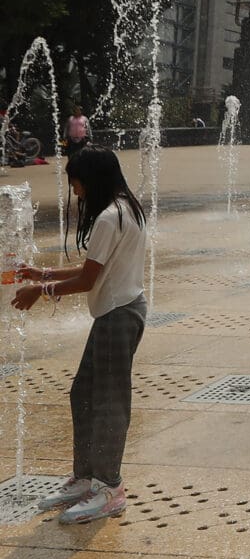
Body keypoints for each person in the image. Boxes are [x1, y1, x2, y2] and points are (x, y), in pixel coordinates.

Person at [11, 146, 148, 523]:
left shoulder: (109, 217)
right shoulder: (126, 208)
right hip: (120, 310)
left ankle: (110, 487)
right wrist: (44, 274)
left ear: (92, 180)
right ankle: (88, 477)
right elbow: (96, 269)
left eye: (77, 183)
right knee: (84, 394)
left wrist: (40, 291)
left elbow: (88, 280)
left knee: (107, 402)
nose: (76, 192)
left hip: (118, 315)